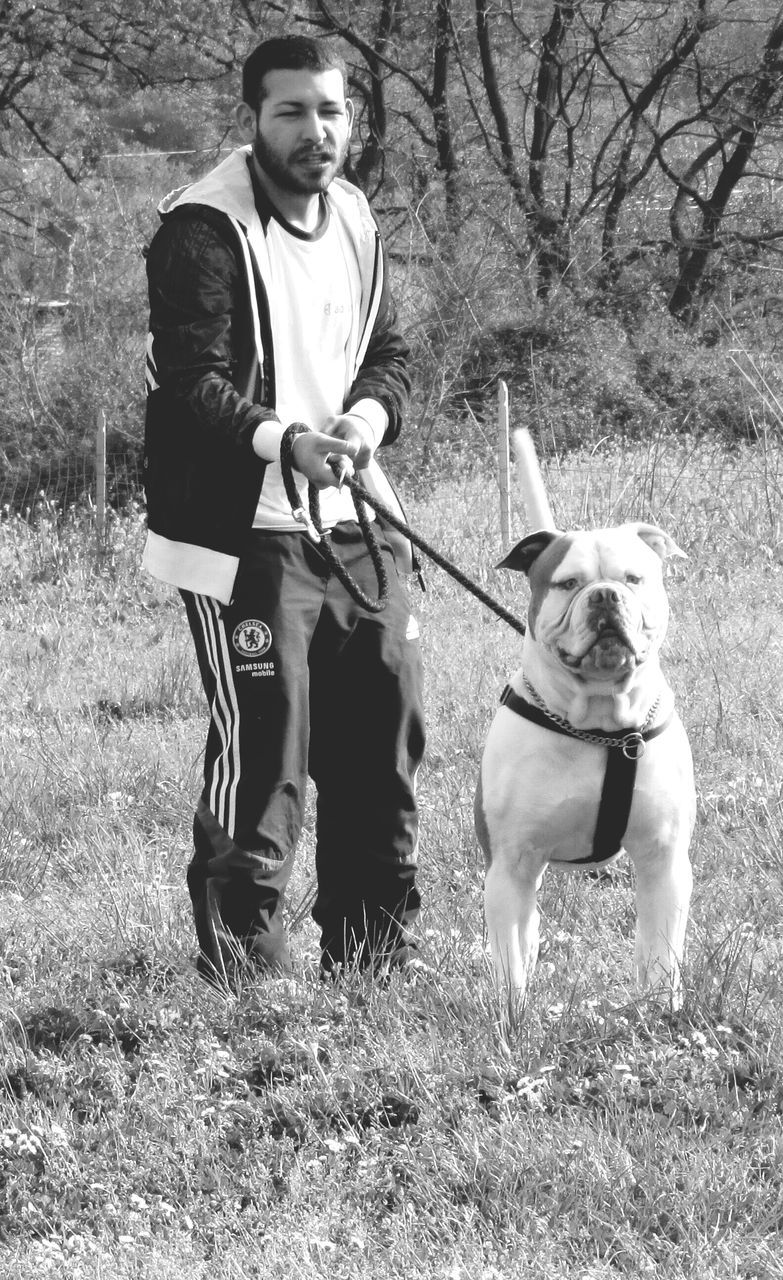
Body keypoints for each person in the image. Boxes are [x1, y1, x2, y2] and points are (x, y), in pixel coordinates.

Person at [142, 35, 424, 987]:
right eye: (292, 111)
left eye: (331, 111)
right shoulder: (201, 228)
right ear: (253, 119)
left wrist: (362, 418)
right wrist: (286, 440)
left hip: (358, 519)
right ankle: (244, 991)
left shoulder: (354, 216)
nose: (316, 131)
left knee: (383, 752)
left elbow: (393, 355)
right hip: (242, 533)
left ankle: (373, 972)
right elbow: (193, 383)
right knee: (267, 761)